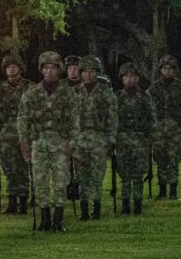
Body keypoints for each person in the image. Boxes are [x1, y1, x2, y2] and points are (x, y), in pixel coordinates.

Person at [17, 51, 80, 232]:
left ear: (59, 69)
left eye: (53, 67)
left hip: (61, 143)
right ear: (41, 70)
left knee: (61, 181)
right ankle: (45, 218)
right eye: (46, 68)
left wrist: (73, 144)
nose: (49, 71)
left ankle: (58, 218)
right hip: (39, 143)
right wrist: (24, 143)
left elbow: (75, 121)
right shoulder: (32, 94)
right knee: (40, 181)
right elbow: (22, 119)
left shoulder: (68, 94)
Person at [0, 54, 33, 215]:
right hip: (5, 136)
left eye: (14, 66)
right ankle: (12, 201)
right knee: (9, 170)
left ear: (20, 68)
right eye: (8, 67)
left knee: (23, 169)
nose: (11, 70)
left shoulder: (30, 88)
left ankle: (24, 201)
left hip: (25, 136)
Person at [73, 55, 118, 221]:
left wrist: (111, 139)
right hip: (80, 140)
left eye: (91, 72)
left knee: (97, 177)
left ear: (97, 73)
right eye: (85, 72)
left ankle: (96, 209)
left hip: (99, 139)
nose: (88, 75)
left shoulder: (106, 93)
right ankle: (84, 210)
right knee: (82, 177)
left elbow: (113, 118)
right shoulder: (75, 93)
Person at [148, 54, 181, 200]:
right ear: (161, 70)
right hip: (159, 131)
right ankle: (162, 191)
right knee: (160, 161)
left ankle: (173, 191)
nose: (167, 71)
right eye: (165, 68)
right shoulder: (154, 89)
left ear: (175, 70)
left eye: (170, 69)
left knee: (174, 161)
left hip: (175, 130)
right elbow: (148, 110)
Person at [114, 62, 156, 215]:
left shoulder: (145, 97)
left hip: (140, 140)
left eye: (133, 76)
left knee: (138, 174)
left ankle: (137, 204)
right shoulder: (117, 97)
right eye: (126, 76)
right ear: (122, 79)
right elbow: (112, 120)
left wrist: (150, 139)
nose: (130, 79)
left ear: (138, 78)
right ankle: (125, 205)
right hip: (122, 139)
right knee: (124, 174)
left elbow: (152, 120)